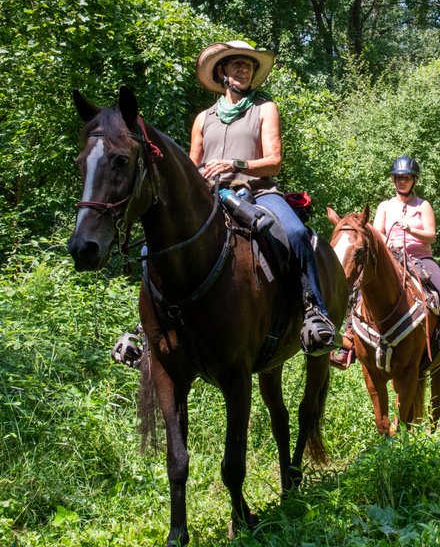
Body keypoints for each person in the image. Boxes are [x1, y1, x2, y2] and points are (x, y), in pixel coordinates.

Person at [111, 41, 337, 368]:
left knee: (296, 233)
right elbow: (191, 165)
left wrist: (235, 164)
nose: (244, 70)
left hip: (258, 192)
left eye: (248, 65)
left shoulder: (265, 109)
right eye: (237, 65)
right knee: (153, 248)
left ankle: (316, 312)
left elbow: (274, 162)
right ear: (222, 72)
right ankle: (147, 330)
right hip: (208, 196)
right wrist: (197, 179)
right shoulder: (204, 118)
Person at [335, 154, 440, 366]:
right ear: (394, 180)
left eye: (407, 177)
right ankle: (348, 340)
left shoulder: (423, 205)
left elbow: (431, 235)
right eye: (398, 177)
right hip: (392, 258)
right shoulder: (385, 206)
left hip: (420, 257)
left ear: (414, 180)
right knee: (362, 289)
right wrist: (387, 243)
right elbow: (376, 232)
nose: (402, 181)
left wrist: (411, 229)